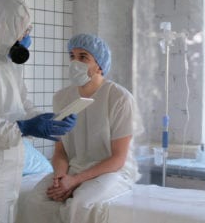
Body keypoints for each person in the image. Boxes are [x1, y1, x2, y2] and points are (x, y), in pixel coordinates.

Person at [0, 0, 77, 223]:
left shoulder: (8, 63)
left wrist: (48, 120)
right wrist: (23, 127)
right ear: (4, 27)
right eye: (24, 30)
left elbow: (23, 105)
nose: (26, 37)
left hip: (10, 167)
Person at [21, 34, 141, 223]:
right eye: (72, 56)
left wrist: (75, 181)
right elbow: (61, 151)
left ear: (100, 65)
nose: (75, 62)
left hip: (113, 173)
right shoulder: (61, 97)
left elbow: (118, 159)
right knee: (35, 201)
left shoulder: (119, 98)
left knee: (80, 205)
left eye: (83, 57)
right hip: (73, 169)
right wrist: (60, 176)